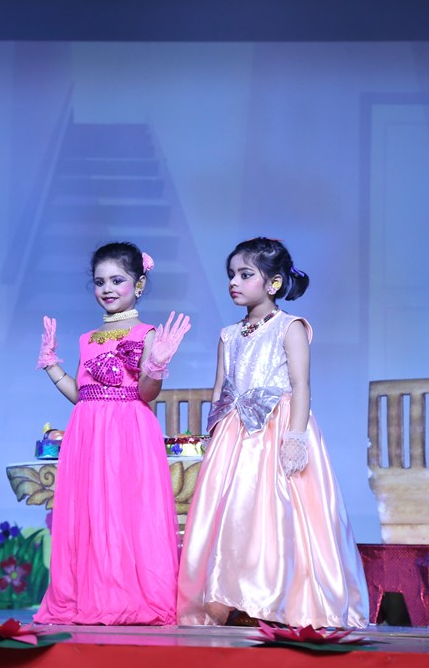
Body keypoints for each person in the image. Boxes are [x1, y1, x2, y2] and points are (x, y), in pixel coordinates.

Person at [177, 237, 368, 628]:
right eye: (231, 274)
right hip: (235, 433)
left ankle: (281, 601)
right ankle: (231, 596)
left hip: (277, 427)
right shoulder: (229, 335)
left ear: (274, 283)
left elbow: (301, 385)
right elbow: (221, 391)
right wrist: (214, 435)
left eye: (245, 274)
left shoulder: (289, 327)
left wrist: (295, 437)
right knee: (234, 515)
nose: (234, 282)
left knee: (278, 513)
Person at [34, 242, 189, 625]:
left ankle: (127, 596)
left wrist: (156, 366)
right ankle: (91, 594)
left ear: (139, 284)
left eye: (117, 280)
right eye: (100, 281)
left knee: (124, 513)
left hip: (127, 431)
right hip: (87, 432)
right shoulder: (87, 338)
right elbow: (81, 394)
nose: (107, 288)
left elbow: (146, 394)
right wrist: (51, 364)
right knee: (90, 514)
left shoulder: (145, 333)